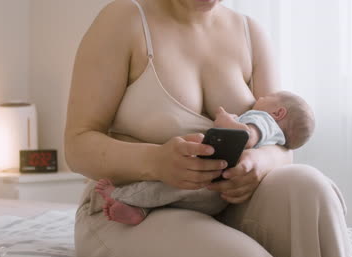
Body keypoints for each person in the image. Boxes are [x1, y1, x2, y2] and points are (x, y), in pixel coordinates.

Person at [64, 0, 352, 257]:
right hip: (129, 207)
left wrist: (259, 164)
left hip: (224, 203)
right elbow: (77, 146)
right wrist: (156, 160)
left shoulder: (250, 33)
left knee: (311, 186)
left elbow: (281, 144)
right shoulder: (124, 19)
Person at [93, 90, 316, 225]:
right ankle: (140, 211)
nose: (260, 97)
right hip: (216, 201)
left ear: (278, 113)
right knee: (169, 198)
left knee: (162, 188)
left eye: (268, 97)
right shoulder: (277, 140)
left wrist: (224, 119)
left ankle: (121, 195)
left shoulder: (264, 120)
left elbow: (246, 136)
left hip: (208, 178)